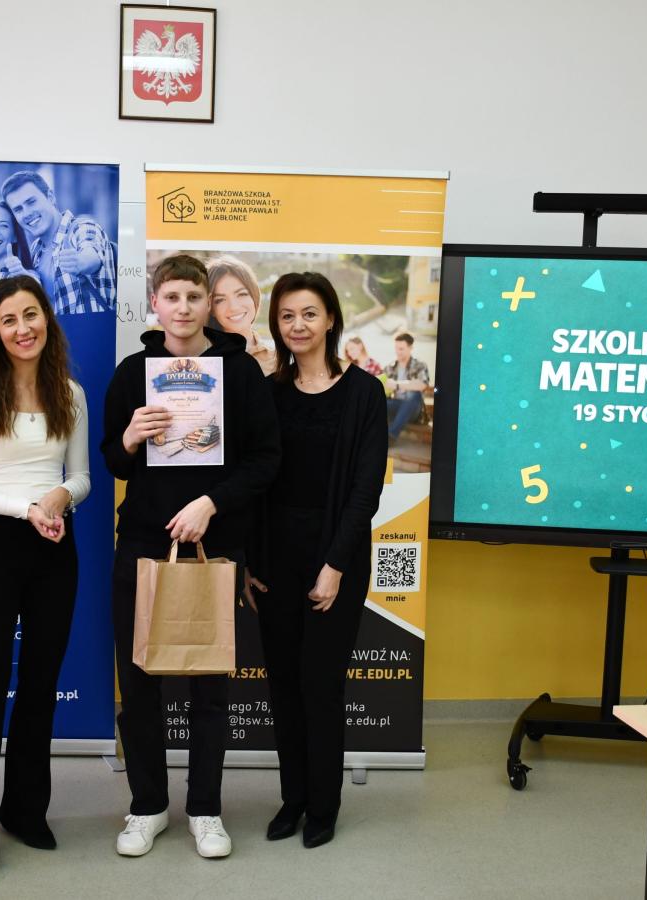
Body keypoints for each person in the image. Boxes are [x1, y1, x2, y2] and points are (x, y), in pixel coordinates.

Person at [101, 254, 279, 860]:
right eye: (172, 297)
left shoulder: (241, 371)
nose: (183, 308)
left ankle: (205, 809)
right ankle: (148, 805)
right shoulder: (133, 373)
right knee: (138, 684)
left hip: (214, 546)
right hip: (143, 543)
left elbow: (266, 460)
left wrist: (211, 502)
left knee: (209, 687)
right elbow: (113, 462)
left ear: (209, 304)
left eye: (194, 297)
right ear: (154, 302)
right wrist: (130, 438)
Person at [0, 275, 91, 887]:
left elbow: (81, 476)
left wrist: (59, 497)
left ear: (46, 320)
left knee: (39, 686)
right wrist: (24, 508)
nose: (23, 328)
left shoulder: (70, 394)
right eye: (9, 320)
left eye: (31, 315)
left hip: (55, 547)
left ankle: (25, 811)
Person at [244, 272, 388, 848]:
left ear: (331, 319)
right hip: (275, 559)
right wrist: (250, 562)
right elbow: (255, 480)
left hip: (336, 557)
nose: (298, 325)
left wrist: (334, 566)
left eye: (309, 313)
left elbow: (365, 491)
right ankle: (294, 799)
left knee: (321, 686)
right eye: (287, 316)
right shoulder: (270, 393)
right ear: (276, 324)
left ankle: (324, 806)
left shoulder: (364, 393)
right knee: (283, 685)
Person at [0, 171, 117, 316]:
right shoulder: (36, 251)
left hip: (92, 329)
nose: (27, 213)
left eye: (31, 202)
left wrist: (80, 262)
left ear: (50, 197)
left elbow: (92, 253)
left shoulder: (81, 228)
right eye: (18, 209)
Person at [207, 255, 277, 375]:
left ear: (254, 295)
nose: (234, 307)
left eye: (241, 294)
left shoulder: (278, 361)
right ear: (211, 308)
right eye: (220, 300)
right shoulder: (202, 360)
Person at [382, 332, 431, 440]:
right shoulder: (389, 367)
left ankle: (391, 435)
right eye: (396, 348)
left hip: (413, 410)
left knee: (414, 394)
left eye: (401, 349)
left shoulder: (420, 365)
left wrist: (397, 385)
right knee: (376, 400)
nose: (397, 352)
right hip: (395, 406)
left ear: (411, 348)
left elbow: (422, 384)